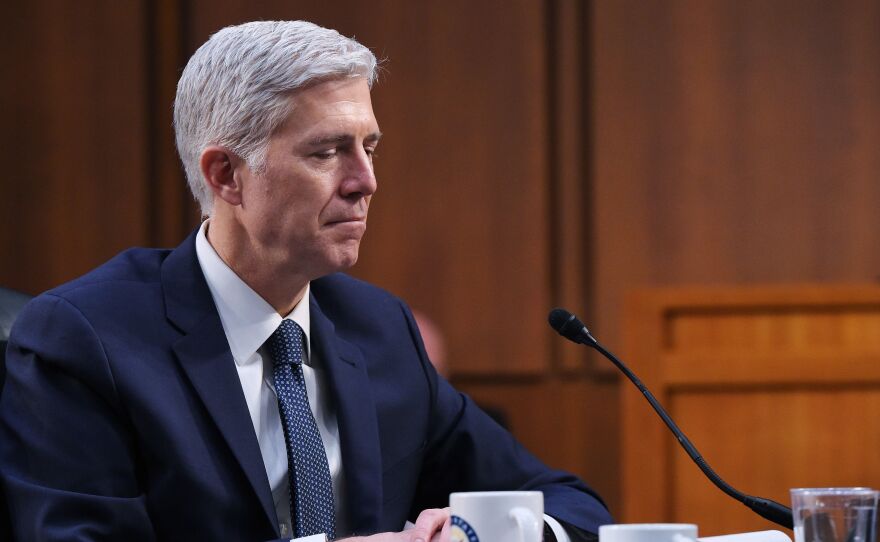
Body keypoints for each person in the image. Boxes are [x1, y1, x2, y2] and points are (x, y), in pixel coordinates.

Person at [0, 20, 611, 542]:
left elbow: (564, 503)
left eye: (370, 147)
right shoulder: (85, 339)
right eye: (327, 152)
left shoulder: (379, 330)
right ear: (227, 175)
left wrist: (477, 533)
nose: (365, 181)